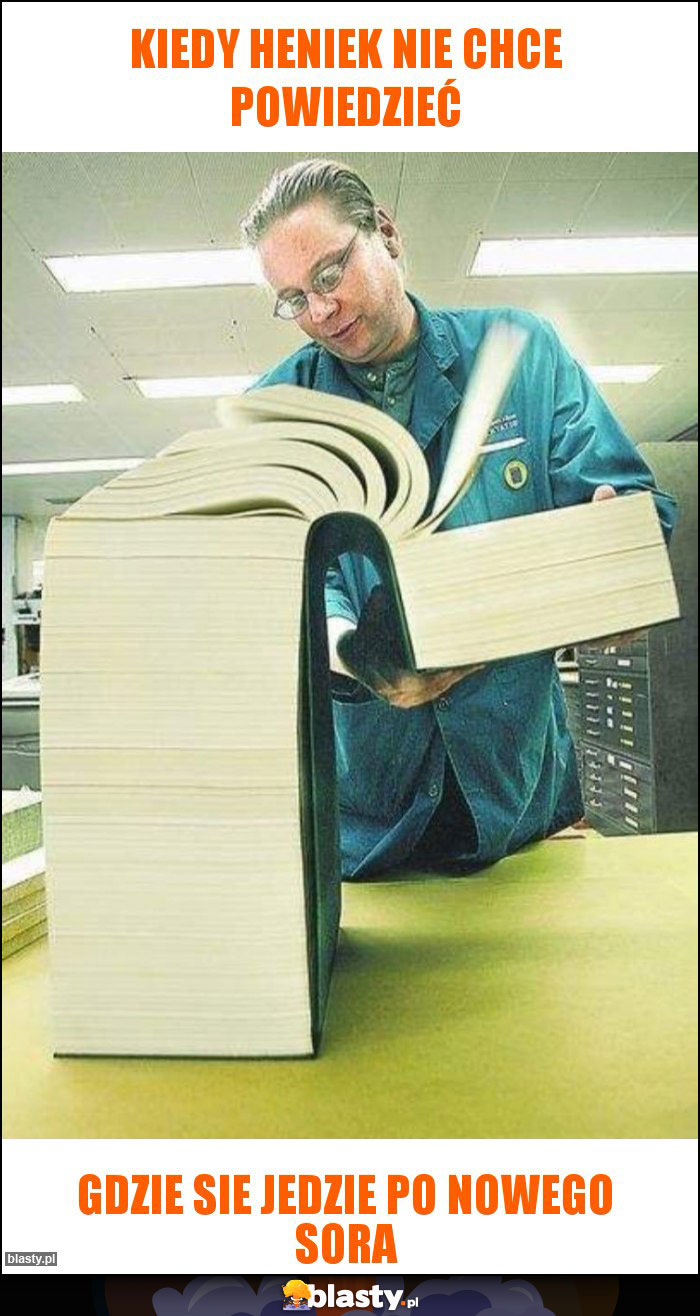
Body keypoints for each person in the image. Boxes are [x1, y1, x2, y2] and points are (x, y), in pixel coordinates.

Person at [241, 159, 677, 879]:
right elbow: (280, 578)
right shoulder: (278, 414)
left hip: (518, 795)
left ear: (385, 234)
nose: (319, 310)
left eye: (329, 274)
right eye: (292, 299)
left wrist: (614, 559)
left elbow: (630, 503)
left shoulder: (522, 353)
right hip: (367, 819)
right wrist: (352, 653)